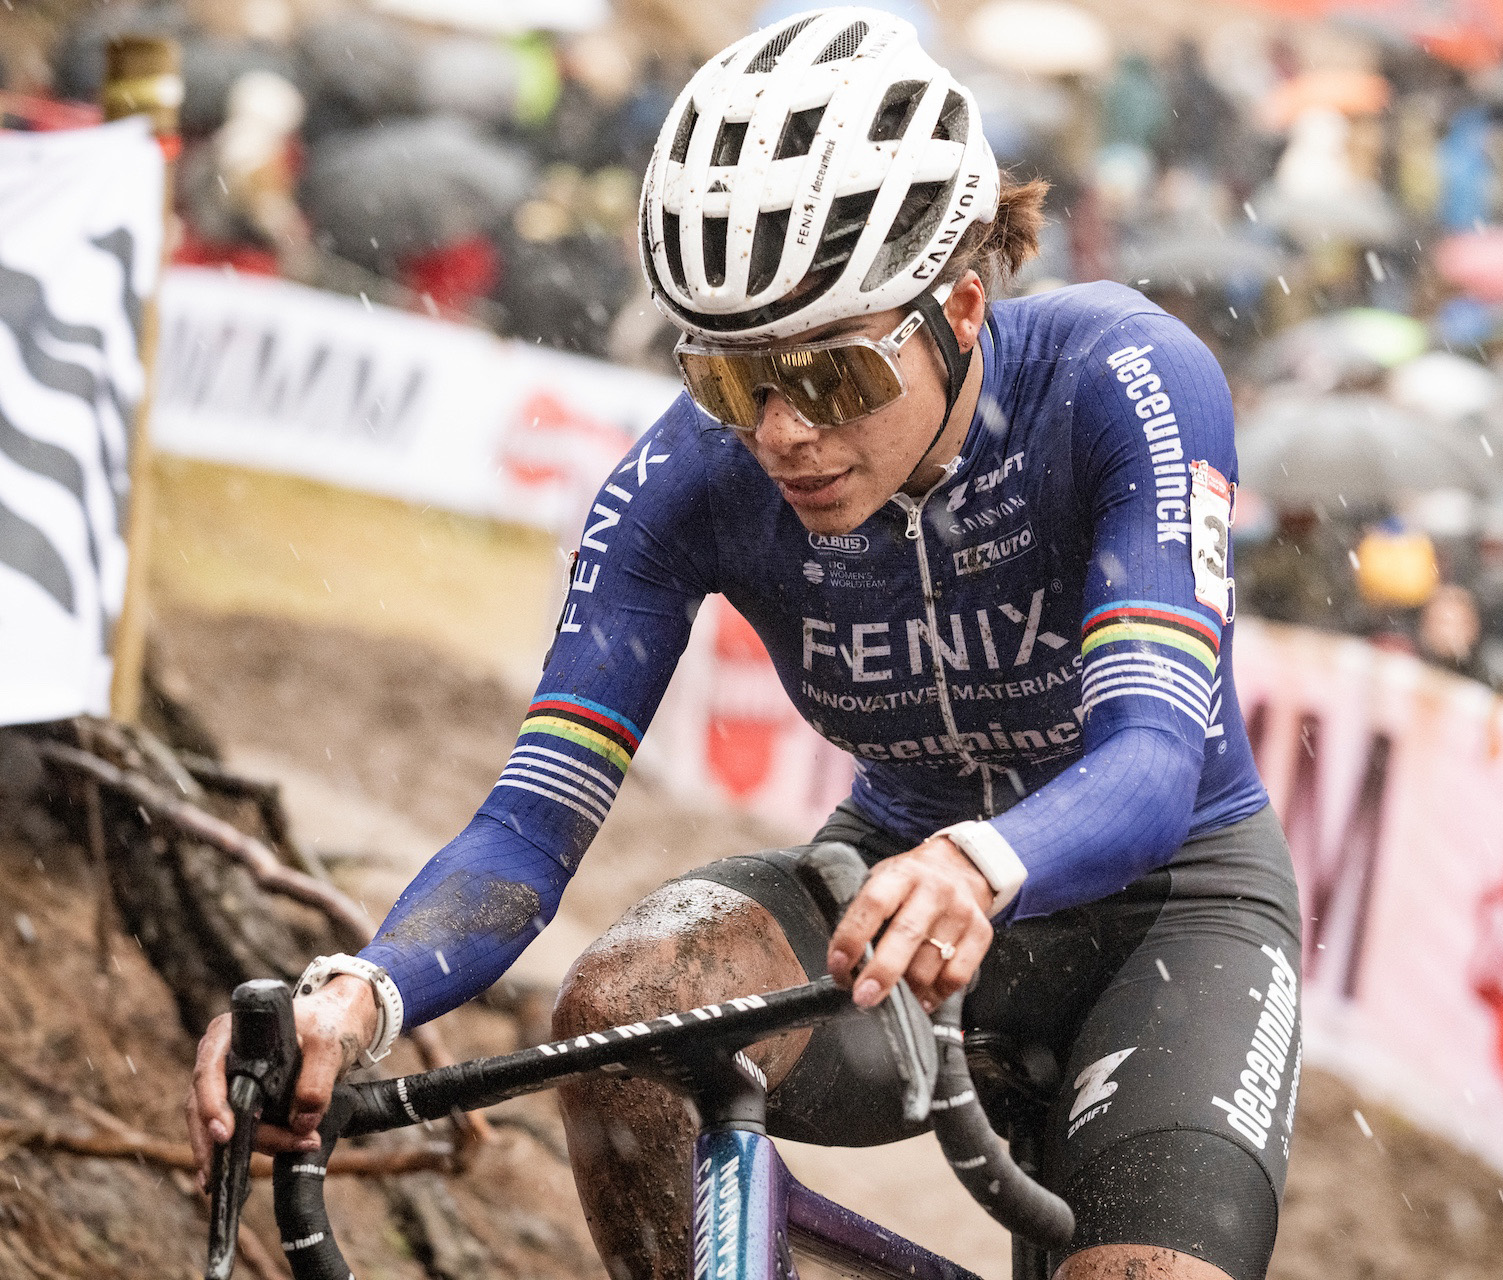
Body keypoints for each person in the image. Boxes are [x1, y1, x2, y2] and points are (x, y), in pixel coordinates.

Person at [185, 11, 1304, 1280]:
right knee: (622, 1014)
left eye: (830, 376)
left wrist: (983, 861)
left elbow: (1156, 759)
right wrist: (361, 996)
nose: (778, 433)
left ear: (964, 308)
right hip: (889, 899)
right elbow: (530, 823)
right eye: (730, 378)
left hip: (1169, 913)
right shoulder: (686, 478)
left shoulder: (1121, 378)